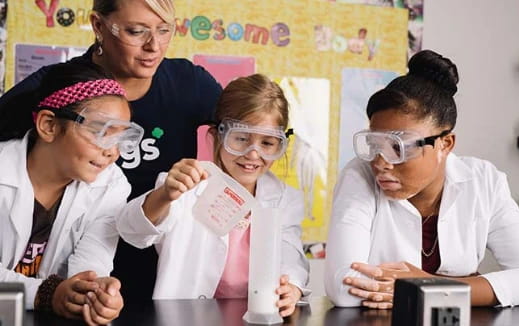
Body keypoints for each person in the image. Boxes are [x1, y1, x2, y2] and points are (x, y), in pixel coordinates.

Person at [0, 0, 223, 302]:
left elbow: (248, 133)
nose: (153, 46)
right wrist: (50, 294)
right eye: (136, 31)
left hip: (147, 269)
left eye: (165, 30)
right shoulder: (49, 90)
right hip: (48, 278)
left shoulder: (189, 86)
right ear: (98, 26)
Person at [325, 49, 519, 308]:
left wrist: (429, 286)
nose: (381, 163)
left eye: (399, 147)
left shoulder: (485, 182)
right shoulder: (358, 176)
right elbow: (343, 288)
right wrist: (472, 286)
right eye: (375, 144)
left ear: (445, 144)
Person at [116, 74, 310, 317]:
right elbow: (132, 231)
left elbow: (291, 255)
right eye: (240, 139)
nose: (253, 154)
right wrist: (165, 195)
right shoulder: (185, 185)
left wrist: (291, 287)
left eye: (268, 143)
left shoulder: (284, 198)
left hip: (254, 318)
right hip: (186, 319)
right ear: (217, 135)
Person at [0, 61, 141, 324]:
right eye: (101, 132)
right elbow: (50, 295)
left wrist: (96, 293)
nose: (112, 151)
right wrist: (47, 294)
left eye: (120, 138)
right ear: (49, 125)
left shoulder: (111, 185)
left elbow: (93, 260)